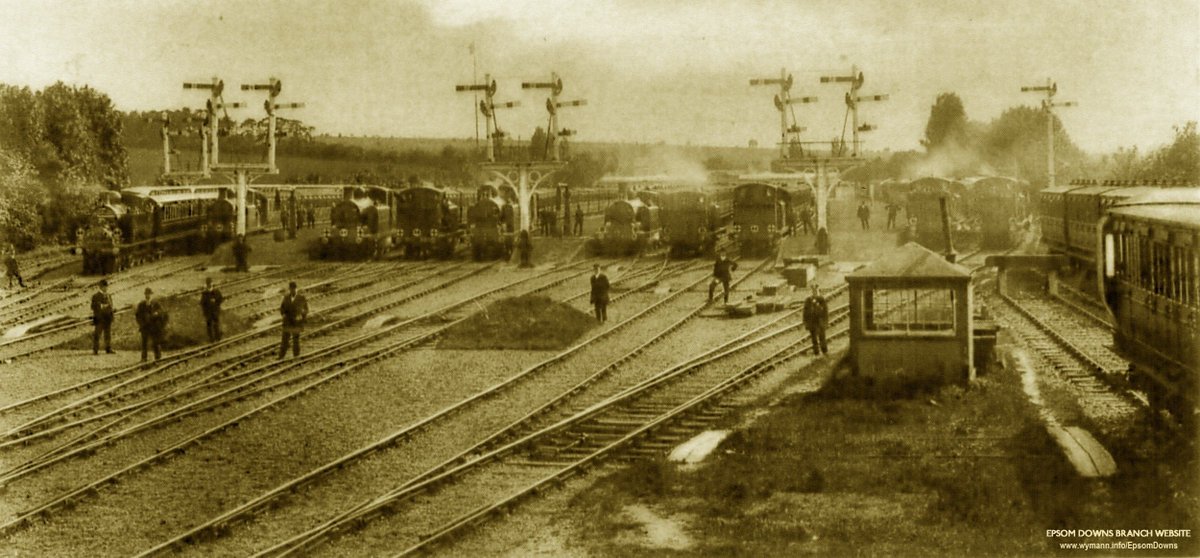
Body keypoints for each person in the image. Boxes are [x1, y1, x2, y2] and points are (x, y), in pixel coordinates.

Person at [135, 287, 167, 362]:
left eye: (149, 294)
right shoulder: (142, 304)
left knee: (156, 342)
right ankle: (144, 358)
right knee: (144, 343)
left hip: (154, 326)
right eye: (147, 294)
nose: (148, 296)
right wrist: (141, 324)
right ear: (145, 295)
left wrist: (157, 313)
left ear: (151, 295)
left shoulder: (156, 303)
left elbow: (161, 311)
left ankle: (158, 357)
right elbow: (137, 315)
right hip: (145, 327)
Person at [279, 281, 309, 359]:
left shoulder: (301, 298)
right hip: (287, 322)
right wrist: (283, 315)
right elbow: (282, 308)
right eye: (291, 289)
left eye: (294, 289)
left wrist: (302, 315)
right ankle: (281, 356)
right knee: (284, 340)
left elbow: (306, 310)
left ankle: (296, 355)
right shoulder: (286, 297)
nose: (293, 290)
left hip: (296, 322)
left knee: (296, 340)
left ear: (296, 289)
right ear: (289, 289)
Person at [802, 284, 829, 356]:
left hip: (820, 322)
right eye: (813, 292)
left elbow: (825, 312)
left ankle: (824, 351)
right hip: (812, 323)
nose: (814, 293)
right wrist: (806, 323)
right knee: (814, 339)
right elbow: (805, 313)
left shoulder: (822, 300)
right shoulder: (808, 301)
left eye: (816, 292)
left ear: (818, 292)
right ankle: (816, 352)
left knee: (822, 337)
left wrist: (825, 322)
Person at [90, 279, 115, 355]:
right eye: (104, 286)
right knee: (97, 334)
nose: (106, 288)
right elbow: (93, 306)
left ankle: (108, 348)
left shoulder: (108, 295)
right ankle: (95, 349)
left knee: (108, 334)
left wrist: (111, 314)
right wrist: (102, 306)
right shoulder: (96, 296)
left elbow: (111, 306)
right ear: (100, 287)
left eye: (106, 286)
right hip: (100, 318)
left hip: (107, 318)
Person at [200, 277, 224, 342]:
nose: (209, 285)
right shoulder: (204, 293)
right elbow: (202, 303)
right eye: (208, 284)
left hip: (215, 310)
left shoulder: (216, 291)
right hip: (208, 312)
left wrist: (215, 301)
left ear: (212, 284)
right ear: (207, 285)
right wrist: (205, 310)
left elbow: (221, 299)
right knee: (209, 325)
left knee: (216, 324)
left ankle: (217, 337)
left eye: (210, 284)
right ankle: (211, 339)